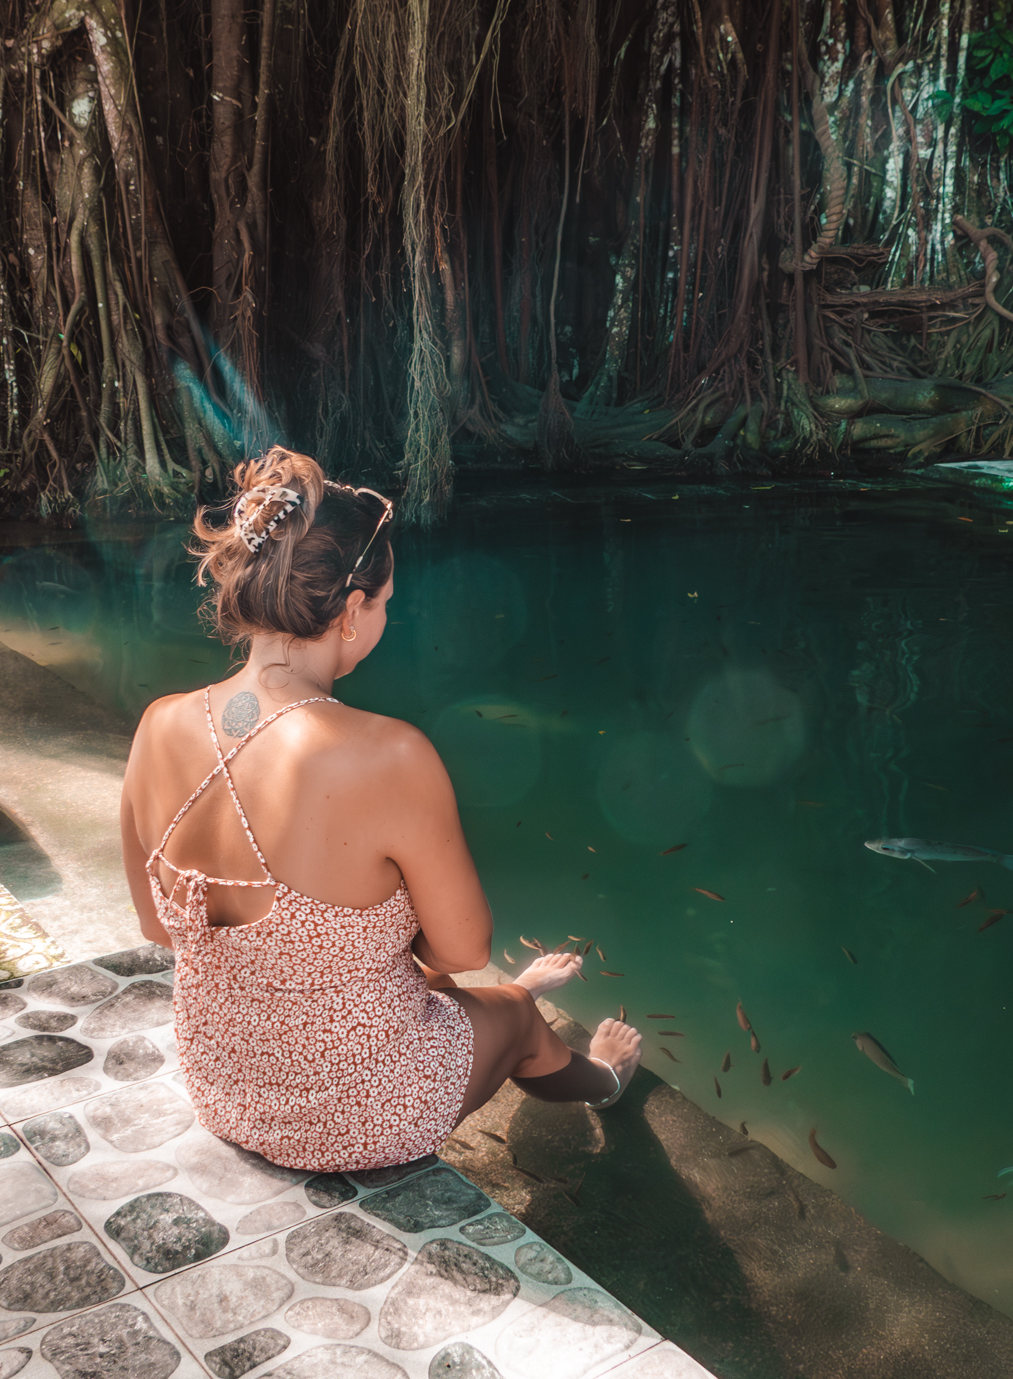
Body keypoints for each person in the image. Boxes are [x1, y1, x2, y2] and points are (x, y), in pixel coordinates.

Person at [120, 446, 642, 1173]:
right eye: (387, 602)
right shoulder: (388, 754)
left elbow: (158, 925)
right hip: (355, 1115)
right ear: (352, 610)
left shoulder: (158, 724)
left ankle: (502, 1004)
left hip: (224, 1088)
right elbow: (461, 953)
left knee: (365, 960)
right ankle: (606, 1080)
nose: (386, 616)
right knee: (517, 1017)